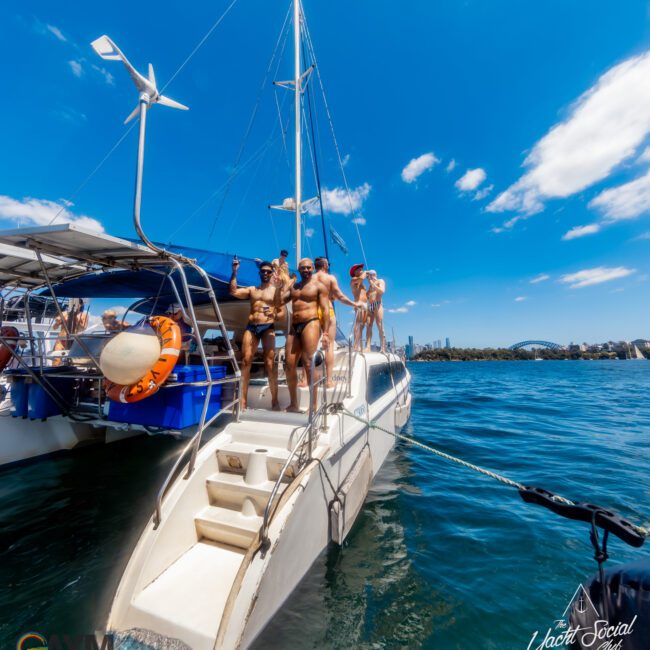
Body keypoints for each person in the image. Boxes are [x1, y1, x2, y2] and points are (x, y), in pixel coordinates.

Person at [230, 258, 283, 410]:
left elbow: (282, 314)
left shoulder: (275, 291)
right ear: (259, 273)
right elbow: (233, 291)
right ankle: (243, 401)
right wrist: (234, 271)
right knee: (246, 361)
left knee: (269, 363)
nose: (265, 273)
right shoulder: (252, 290)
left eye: (268, 271)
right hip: (252, 326)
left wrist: (273, 314)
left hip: (268, 327)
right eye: (263, 271)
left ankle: (275, 401)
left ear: (272, 273)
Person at [283, 257, 330, 412]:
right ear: (299, 269)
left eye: (309, 267)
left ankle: (314, 405)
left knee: (309, 363)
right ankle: (294, 404)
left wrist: (326, 333)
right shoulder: (294, 287)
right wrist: (282, 286)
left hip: (311, 322)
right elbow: (278, 301)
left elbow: (325, 310)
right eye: (303, 268)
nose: (306, 270)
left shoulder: (319, 286)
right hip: (294, 326)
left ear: (312, 268)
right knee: (289, 364)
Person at [314, 256, 362, 387]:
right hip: (327, 311)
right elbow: (340, 296)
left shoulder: (310, 279)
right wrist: (354, 304)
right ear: (325, 265)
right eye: (327, 264)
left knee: (311, 347)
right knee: (329, 347)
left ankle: (306, 380)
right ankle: (329, 381)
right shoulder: (329, 278)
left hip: (312, 312)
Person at [52, 298, 89, 365]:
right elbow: (54, 328)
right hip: (61, 340)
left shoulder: (84, 315)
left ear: (80, 305)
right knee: (56, 359)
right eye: (72, 303)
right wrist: (57, 322)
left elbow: (83, 328)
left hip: (73, 340)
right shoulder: (64, 313)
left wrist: (77, 320)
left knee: (73, 361)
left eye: (76, 303)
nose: (74, 305)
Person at [366, 270, 386, 352]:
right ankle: (367, 346)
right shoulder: (370, 285)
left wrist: (373, 284)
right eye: (368, 276)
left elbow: (382, 291)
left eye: (369, 275)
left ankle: (383, 347)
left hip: (378, 304)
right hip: (370, 305)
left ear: (374, 274)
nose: (369, 277)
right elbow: (367, 295)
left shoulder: (380, 281)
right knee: (368, 325)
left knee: (379, 325)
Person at [349, 264, 368, 351]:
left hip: (365, 304)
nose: (362, 270)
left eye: (362, 269)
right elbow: (362, 278)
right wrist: (366, 272)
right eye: (360, 269)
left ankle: (359, 344)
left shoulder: (362, 283)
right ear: (355, 272)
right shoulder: (354, 280)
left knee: (362, 325)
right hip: (359, 303)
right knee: (358, 324)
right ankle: (355, 346)